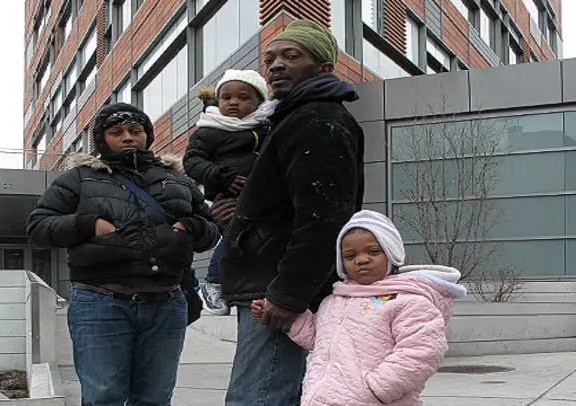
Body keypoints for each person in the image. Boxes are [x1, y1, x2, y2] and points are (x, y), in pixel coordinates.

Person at [26, 103, 219, 405]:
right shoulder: (79, 178)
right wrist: (87, 223)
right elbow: (38, 226)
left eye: (135, 130)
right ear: (102, 139)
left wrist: (191, 226)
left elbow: (211, 228)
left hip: (166, 303)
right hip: (99, 303)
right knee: (104, 397)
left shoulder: (177, 179)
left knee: (155, 398)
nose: (127, 137)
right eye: (116, 132)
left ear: (147, 135)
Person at [218, 19, 365, 405]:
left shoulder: (318, 119)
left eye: (291, 56)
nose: (276, 65)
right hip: (269, 283)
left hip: (274, 288)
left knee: (256, 398)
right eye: (270, 59)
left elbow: (324, 218)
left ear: (323, 67)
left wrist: (288, 295)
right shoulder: (292, 119)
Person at [251, 210, 467, 405]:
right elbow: (318, 337)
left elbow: (422, 351)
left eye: (373, 251)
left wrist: (377, 388)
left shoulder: (409, 301)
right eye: (350, 255)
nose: (362, 260)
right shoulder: (334, 300)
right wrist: (286, 318)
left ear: (391, 254)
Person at [183, 69, 270, 316]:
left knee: (252, 241)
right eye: (227, 97)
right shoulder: (209, 129)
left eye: (244, 98)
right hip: (228, 196)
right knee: (236, 233)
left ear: (259, 102)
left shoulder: (266, 127)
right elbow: (192, 162)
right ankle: (213, 281)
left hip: (260, 196)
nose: (233, 102)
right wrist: (221, 177)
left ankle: (235, 283)